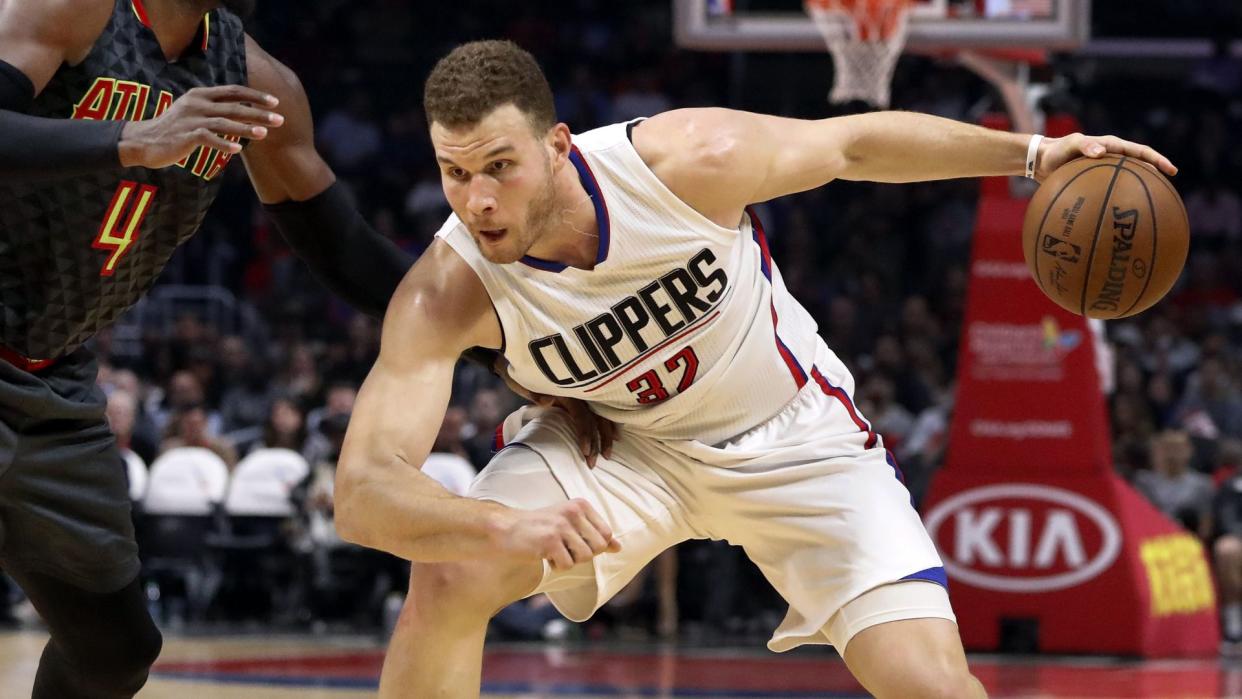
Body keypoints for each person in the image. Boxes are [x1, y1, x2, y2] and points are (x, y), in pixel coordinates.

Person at [334, 40, 1177, 699]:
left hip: (792, 433)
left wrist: (1032, 154)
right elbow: (363, 490)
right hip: (625, 449)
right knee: (446, 577)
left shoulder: (685, 162)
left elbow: (851, 145)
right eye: (455, 173)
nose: (477, 200)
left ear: (557, 146)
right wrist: (493, 528)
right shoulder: (447, 290)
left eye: (499, 167)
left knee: (929, 683)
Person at [0, 1, 416, 695]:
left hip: (54, 381)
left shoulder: (258, 83)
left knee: (117, 650)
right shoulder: (72, 10)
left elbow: (343, 248)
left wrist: (498, 336)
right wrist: (128, 140)